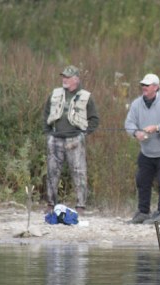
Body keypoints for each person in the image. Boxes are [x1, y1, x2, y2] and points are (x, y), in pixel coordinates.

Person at [42, 65, 100, 215]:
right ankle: (50, 204)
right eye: (63, 77)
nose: (64, 79)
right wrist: (47, 132)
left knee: (79, 172)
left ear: (76, 79)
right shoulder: (55, 94)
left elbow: (94, 119)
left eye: (67, 77)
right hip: (55, 139)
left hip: (75, 139)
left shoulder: (86, 96)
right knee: (52, 172)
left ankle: (80, 206)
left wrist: (83, 134)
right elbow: (46, 113)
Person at [124, 73, 160, 226]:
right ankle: (143, 212)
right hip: (147, 151)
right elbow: (129, 124)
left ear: (156, 87)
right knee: (142, 181)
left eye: (147, 85)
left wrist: (157, 128)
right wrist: (136, 133)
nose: (144, 88)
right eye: (143, 85)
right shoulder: (136, 104)